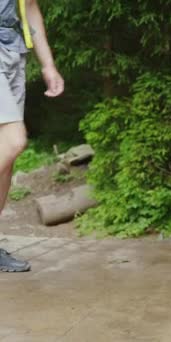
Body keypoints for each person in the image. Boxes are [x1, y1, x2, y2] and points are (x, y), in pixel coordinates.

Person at [0, 0, 64, 272]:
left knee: (6, 160)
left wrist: (48, 64)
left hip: (14, 51)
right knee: (14, 140)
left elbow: (29, 6)